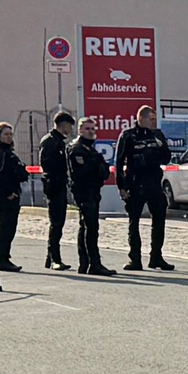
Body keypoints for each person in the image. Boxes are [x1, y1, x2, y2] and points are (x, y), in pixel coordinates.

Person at [114, 105, 174, 271]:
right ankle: (135, 259)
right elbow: (118, 162)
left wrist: (161, 146)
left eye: (155, 119)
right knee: (134, 222)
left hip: (154, 183)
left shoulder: (157, 135)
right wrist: (121, 186)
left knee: (159, 219)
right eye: (151, 119)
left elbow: (167, 158)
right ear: (142, 118)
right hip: (135, 183)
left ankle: (156, 256)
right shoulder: (128, 135)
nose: (154, 122)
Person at [67, 117, 115, 276]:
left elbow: (104, 170)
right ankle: (93, 263)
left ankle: (85, 263)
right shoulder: (77, 149)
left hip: (93, 191)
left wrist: (99, 169)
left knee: (87, 227)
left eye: (92, 129)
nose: (90, 132)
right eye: (87, 129)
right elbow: (84, 172)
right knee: (91, 228)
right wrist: (98, 169)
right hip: (84, 191)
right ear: (80, 130)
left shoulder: (91, 149)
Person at [0, 122, 29, 272]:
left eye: (11, 134)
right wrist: (7, 193)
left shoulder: (7, 151)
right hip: (5, 194)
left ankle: (5, 256)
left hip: (13, 191)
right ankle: (1, 258)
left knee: (10, 226)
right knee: (6, 226)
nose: (9, 137)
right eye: (6, 134)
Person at [38, 111, 76, 271]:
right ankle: (55, 258)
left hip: (59, 185)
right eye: (69, 125)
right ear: (63, 125)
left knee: (59, 222)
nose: (70, 129)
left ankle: (50, 257)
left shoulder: (59, 141)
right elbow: (47, 165)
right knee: (56, 223)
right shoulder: (50, 141)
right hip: (53, 185)